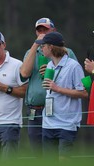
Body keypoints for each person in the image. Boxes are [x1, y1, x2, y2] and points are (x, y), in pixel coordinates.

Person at [20, 17, 78, 158]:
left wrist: (52, 67)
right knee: (38, 155)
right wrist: (36, 45)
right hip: (36, 110)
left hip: (59, 110)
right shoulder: (31, 52)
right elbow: (24, 74)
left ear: (53, 30)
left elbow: (77, 80)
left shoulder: (67, 52)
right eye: (39, 30)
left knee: (60, 155)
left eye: (45, 29)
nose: (42, 33)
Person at [35, 32, 88, 160]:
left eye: (43, 46)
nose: (41, 48)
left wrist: (57, 88)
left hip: (67, 124)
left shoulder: (73, 66)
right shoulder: (49, 65)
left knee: (64, 162)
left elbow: (83, 93)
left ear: (51, 47)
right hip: (48, 123)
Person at [0, 31, 28, 161]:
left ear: (4, 45)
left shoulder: (17, 65)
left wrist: (5, 88)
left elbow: (25, 92)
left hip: (9, 123)